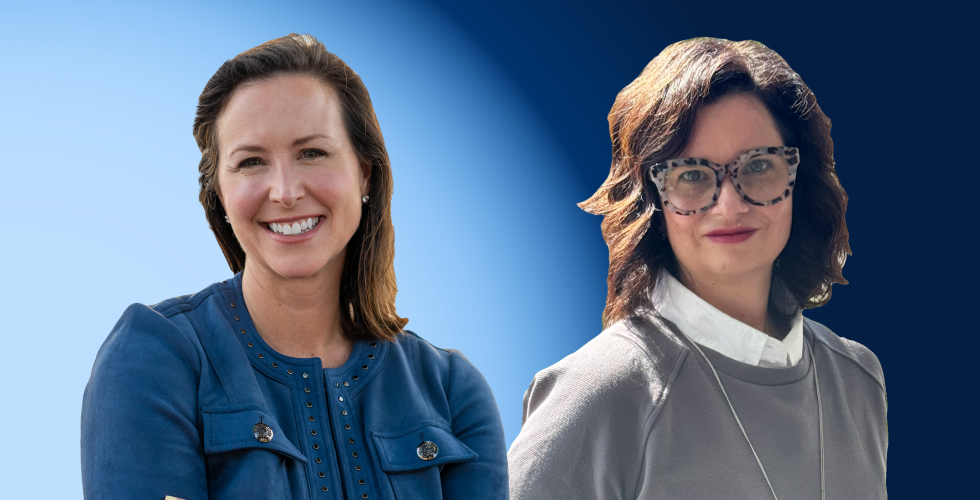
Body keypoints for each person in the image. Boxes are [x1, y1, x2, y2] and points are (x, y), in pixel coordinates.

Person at [81, 34, 508, 500]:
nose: (284, 191)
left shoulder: (452, 391)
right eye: (251, 162)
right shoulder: (155, 358)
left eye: (312, 153)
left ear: (365, 173)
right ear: (220, 194)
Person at [508, 38, 887, 499]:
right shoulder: (601, 393)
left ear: (798, 182)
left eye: (759, 166)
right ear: (652, 200)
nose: (729, 203)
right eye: (691, 175)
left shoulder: (857, 379)